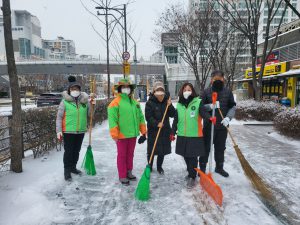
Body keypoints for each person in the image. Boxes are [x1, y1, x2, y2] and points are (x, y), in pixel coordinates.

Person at [107, 78, 147, 186]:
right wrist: (114, 134)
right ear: (120, 89)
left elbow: (140, 117)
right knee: (122, 155)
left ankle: (129, 171)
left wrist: (143, 131)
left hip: (133, 134)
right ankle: (122, 175)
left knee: (130, 154)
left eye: (128, 87)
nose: (126, 89)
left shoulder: (134, 103)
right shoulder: (115, 103)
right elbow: (112, 120)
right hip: (121, 135)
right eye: (123, 87)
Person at [56, 76, 96, 181]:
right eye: (73, 89)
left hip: (81, 130)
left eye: (77, 89)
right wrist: (59, 131)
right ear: (69, 90)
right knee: (68, 151)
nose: (75, 91)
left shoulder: (84, 102)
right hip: (68, 131)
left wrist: (92, 106)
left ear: (80, 90)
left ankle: (73, 167)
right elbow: (59, 118)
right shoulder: (64, 102)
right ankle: (67, 170)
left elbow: (90, 115)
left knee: (76, 151)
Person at [171, 83, 210, 188]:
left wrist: (209, 118)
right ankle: (190, 171)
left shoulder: (198, 102)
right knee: (185, 155)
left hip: (194, 135)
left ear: (192, 91)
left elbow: (203, 113)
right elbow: (176, 120)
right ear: (182, 92)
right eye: (185, 90)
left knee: (192, 156)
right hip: (182, 135)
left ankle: (192, 175)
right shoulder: (179, 105)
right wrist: (172, 132)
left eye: (189, 89)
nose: (187, 91)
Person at [199, 70, 236, 177]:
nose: (218, 81)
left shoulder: (228, 92)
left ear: (223, 79)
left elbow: (232, 106)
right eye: (215, 79)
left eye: (220, 79)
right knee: (206, 148)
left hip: (222, 127)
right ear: (211, 80)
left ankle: (219, 168)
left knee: (220, 148)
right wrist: (210, 107)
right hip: (209, 126)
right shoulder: (206, 92)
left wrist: (228, 118)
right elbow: (200, 108)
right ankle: (202, 168)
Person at [145, 82, 175, 174]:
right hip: (153, 131)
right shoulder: (150, 103)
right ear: (154, 92)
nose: (160, 95)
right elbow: (148, 117)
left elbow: (173, 114)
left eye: (162, 93)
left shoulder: (167, 102)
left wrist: (170, 105)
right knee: (152, 150)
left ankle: (159, 167)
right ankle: (150, 165)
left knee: (162, 150)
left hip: (165, 131)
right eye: (158, 92)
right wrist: (156, 123)